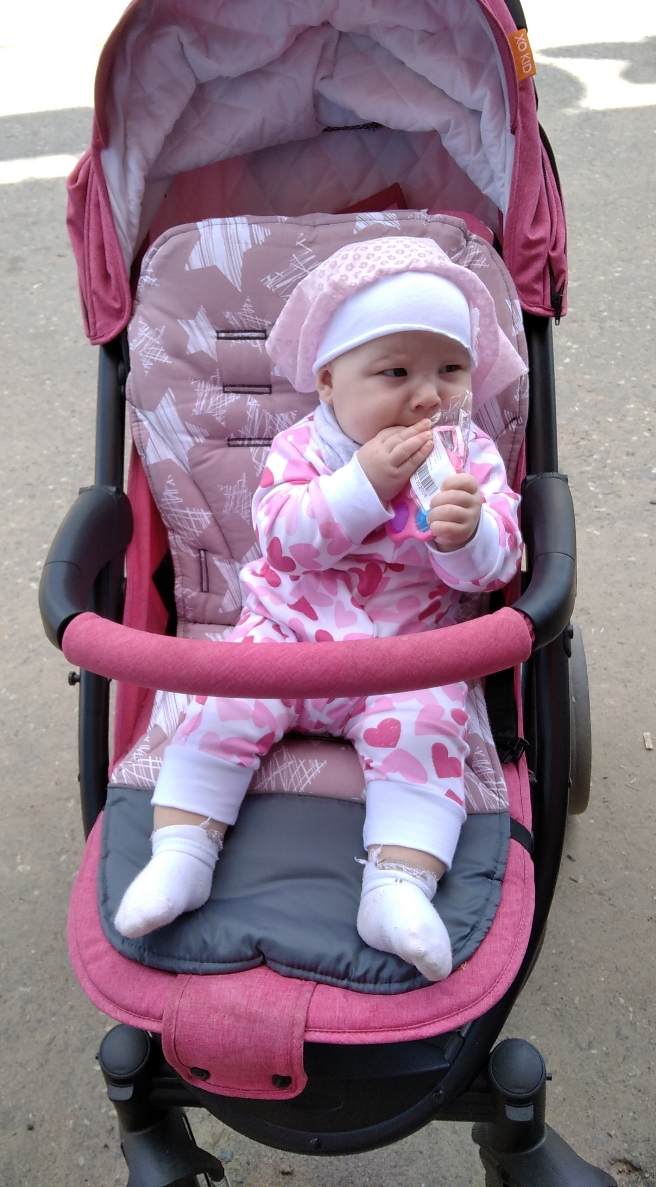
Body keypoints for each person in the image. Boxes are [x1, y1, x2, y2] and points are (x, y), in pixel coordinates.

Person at [114, 236, 524, 982]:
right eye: (395, 372)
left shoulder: (470, 460)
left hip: (403, 656)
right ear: (329, 381)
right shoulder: (301, 448)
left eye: (450, 370)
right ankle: (182, 854)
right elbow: (281, 539)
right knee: (217, 703)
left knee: (430, 726)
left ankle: (398, 886)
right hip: (286, 635)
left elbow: (501, 567)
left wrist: (469, 535)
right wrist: (362, 485)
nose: (427, 396)